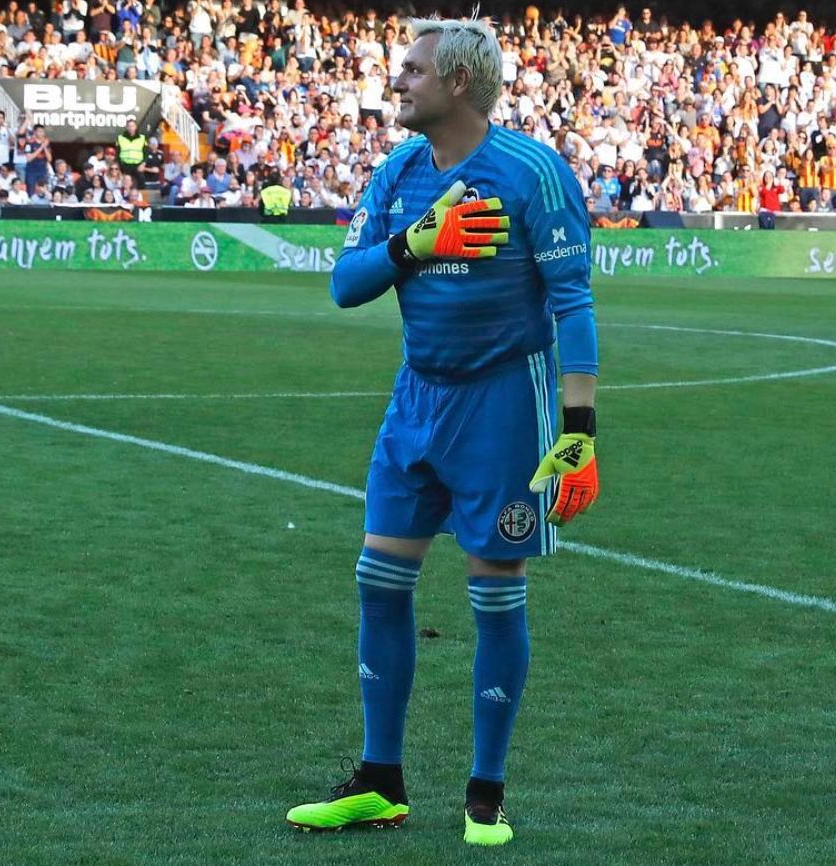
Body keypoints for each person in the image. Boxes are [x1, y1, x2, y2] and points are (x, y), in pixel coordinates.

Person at [285, 16, 599, 847]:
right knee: (376, 580)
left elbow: (574, 304)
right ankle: (380, 782)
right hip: (415, 401)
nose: (398, 81)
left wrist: (580, 432)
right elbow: (346, 285)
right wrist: (414, 244)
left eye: (413, 70)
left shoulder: (532, 172)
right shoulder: (398, 171)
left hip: (503, 404)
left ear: (457, 82)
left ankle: (485, 793)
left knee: (494, 593)